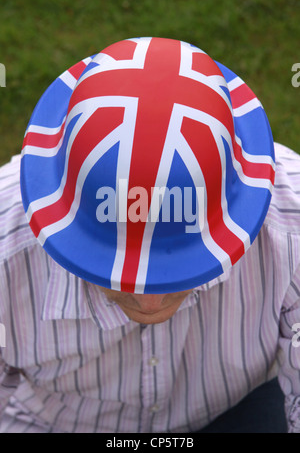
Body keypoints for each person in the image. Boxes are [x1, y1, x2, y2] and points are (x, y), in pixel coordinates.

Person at [0, 37, 299, 434]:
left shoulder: (292, 225)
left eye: (176, 267)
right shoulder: (6, 252)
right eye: (112, 271)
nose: (150, 302)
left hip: (233, 414)